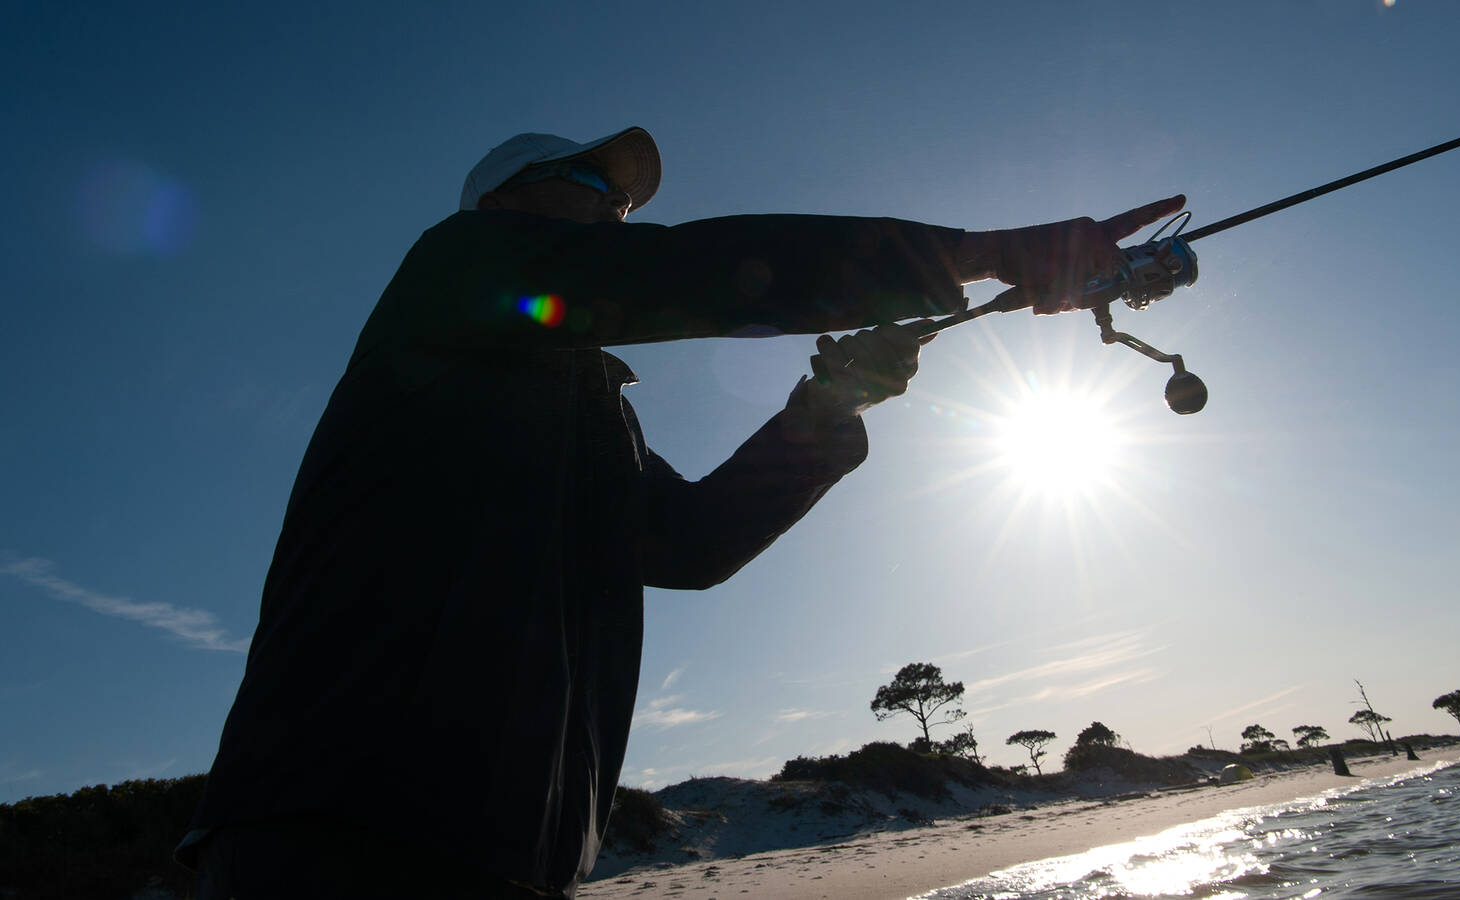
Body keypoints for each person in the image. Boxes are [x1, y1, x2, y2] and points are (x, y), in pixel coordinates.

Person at [177, 125, 1184, 898]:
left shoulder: (593, 420)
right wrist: (984, 251)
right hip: (332, 827)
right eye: (591, 187)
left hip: (516, 858)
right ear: (502, 207)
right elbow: (674, 273)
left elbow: (690, 544)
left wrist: (828, 406)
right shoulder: (453, 269)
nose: (616, 212)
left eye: (621, 205)